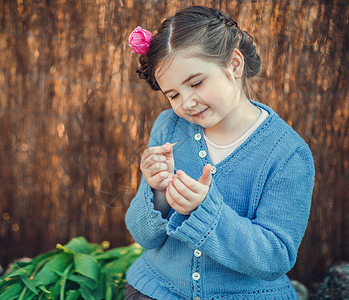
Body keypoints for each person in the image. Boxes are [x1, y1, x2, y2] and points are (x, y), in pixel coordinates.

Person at [125, 5, 315, 300]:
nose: (186, 102)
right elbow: (144, 238)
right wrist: (157, 191)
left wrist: (204, 211)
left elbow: (275, 258)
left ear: (234, 65)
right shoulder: (169, 127)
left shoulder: (288, 154)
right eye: (173, 94)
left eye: (196, 83)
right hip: (157, 289)